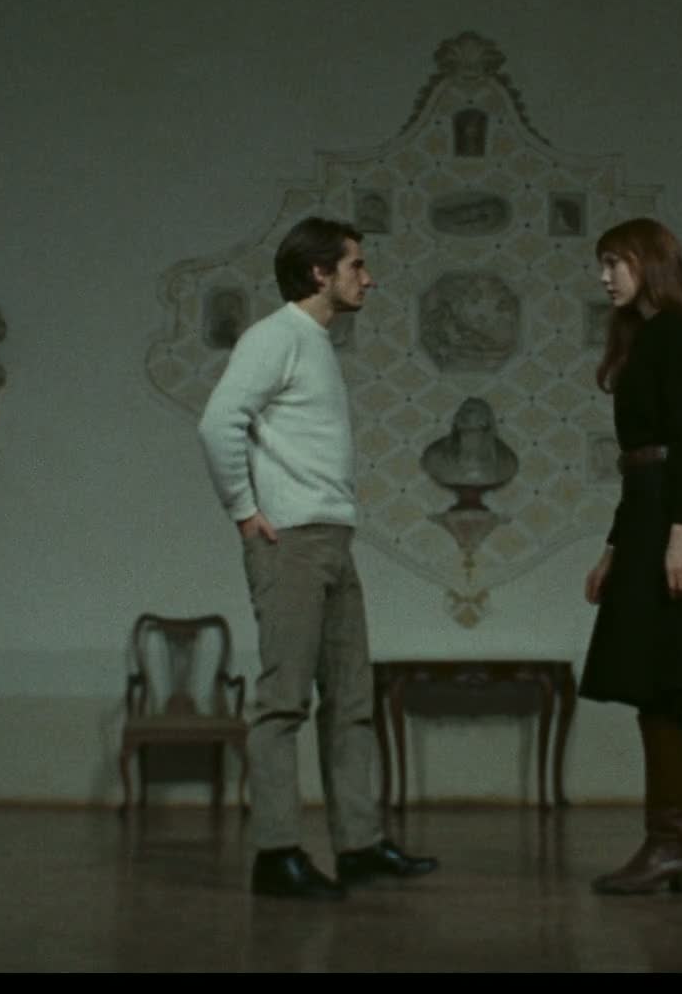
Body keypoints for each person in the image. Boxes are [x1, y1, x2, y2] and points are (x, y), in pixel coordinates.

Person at [196, 215, 438, 899]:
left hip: (333, 538)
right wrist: (244, 511)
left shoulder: (316, 344)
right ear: (319, 272)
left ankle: (358, 844)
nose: (369, 278)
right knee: (283, 704)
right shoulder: (274, 337)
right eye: (357, 265)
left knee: (352, 700)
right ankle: (276, 854)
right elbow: (217, 423)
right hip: (291, 543)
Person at [579, 216, 682, 895]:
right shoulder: (644, 339)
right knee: (650, 684)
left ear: (651, 264)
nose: (605, 277)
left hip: (671, 514)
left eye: (616, 262)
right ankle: (672, 844)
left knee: (662, 683)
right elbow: (637, 461)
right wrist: (615, 548)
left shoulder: (675, 334)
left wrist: (681, 532)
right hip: (646, 515)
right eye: (603, 263)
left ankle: (672, 842)